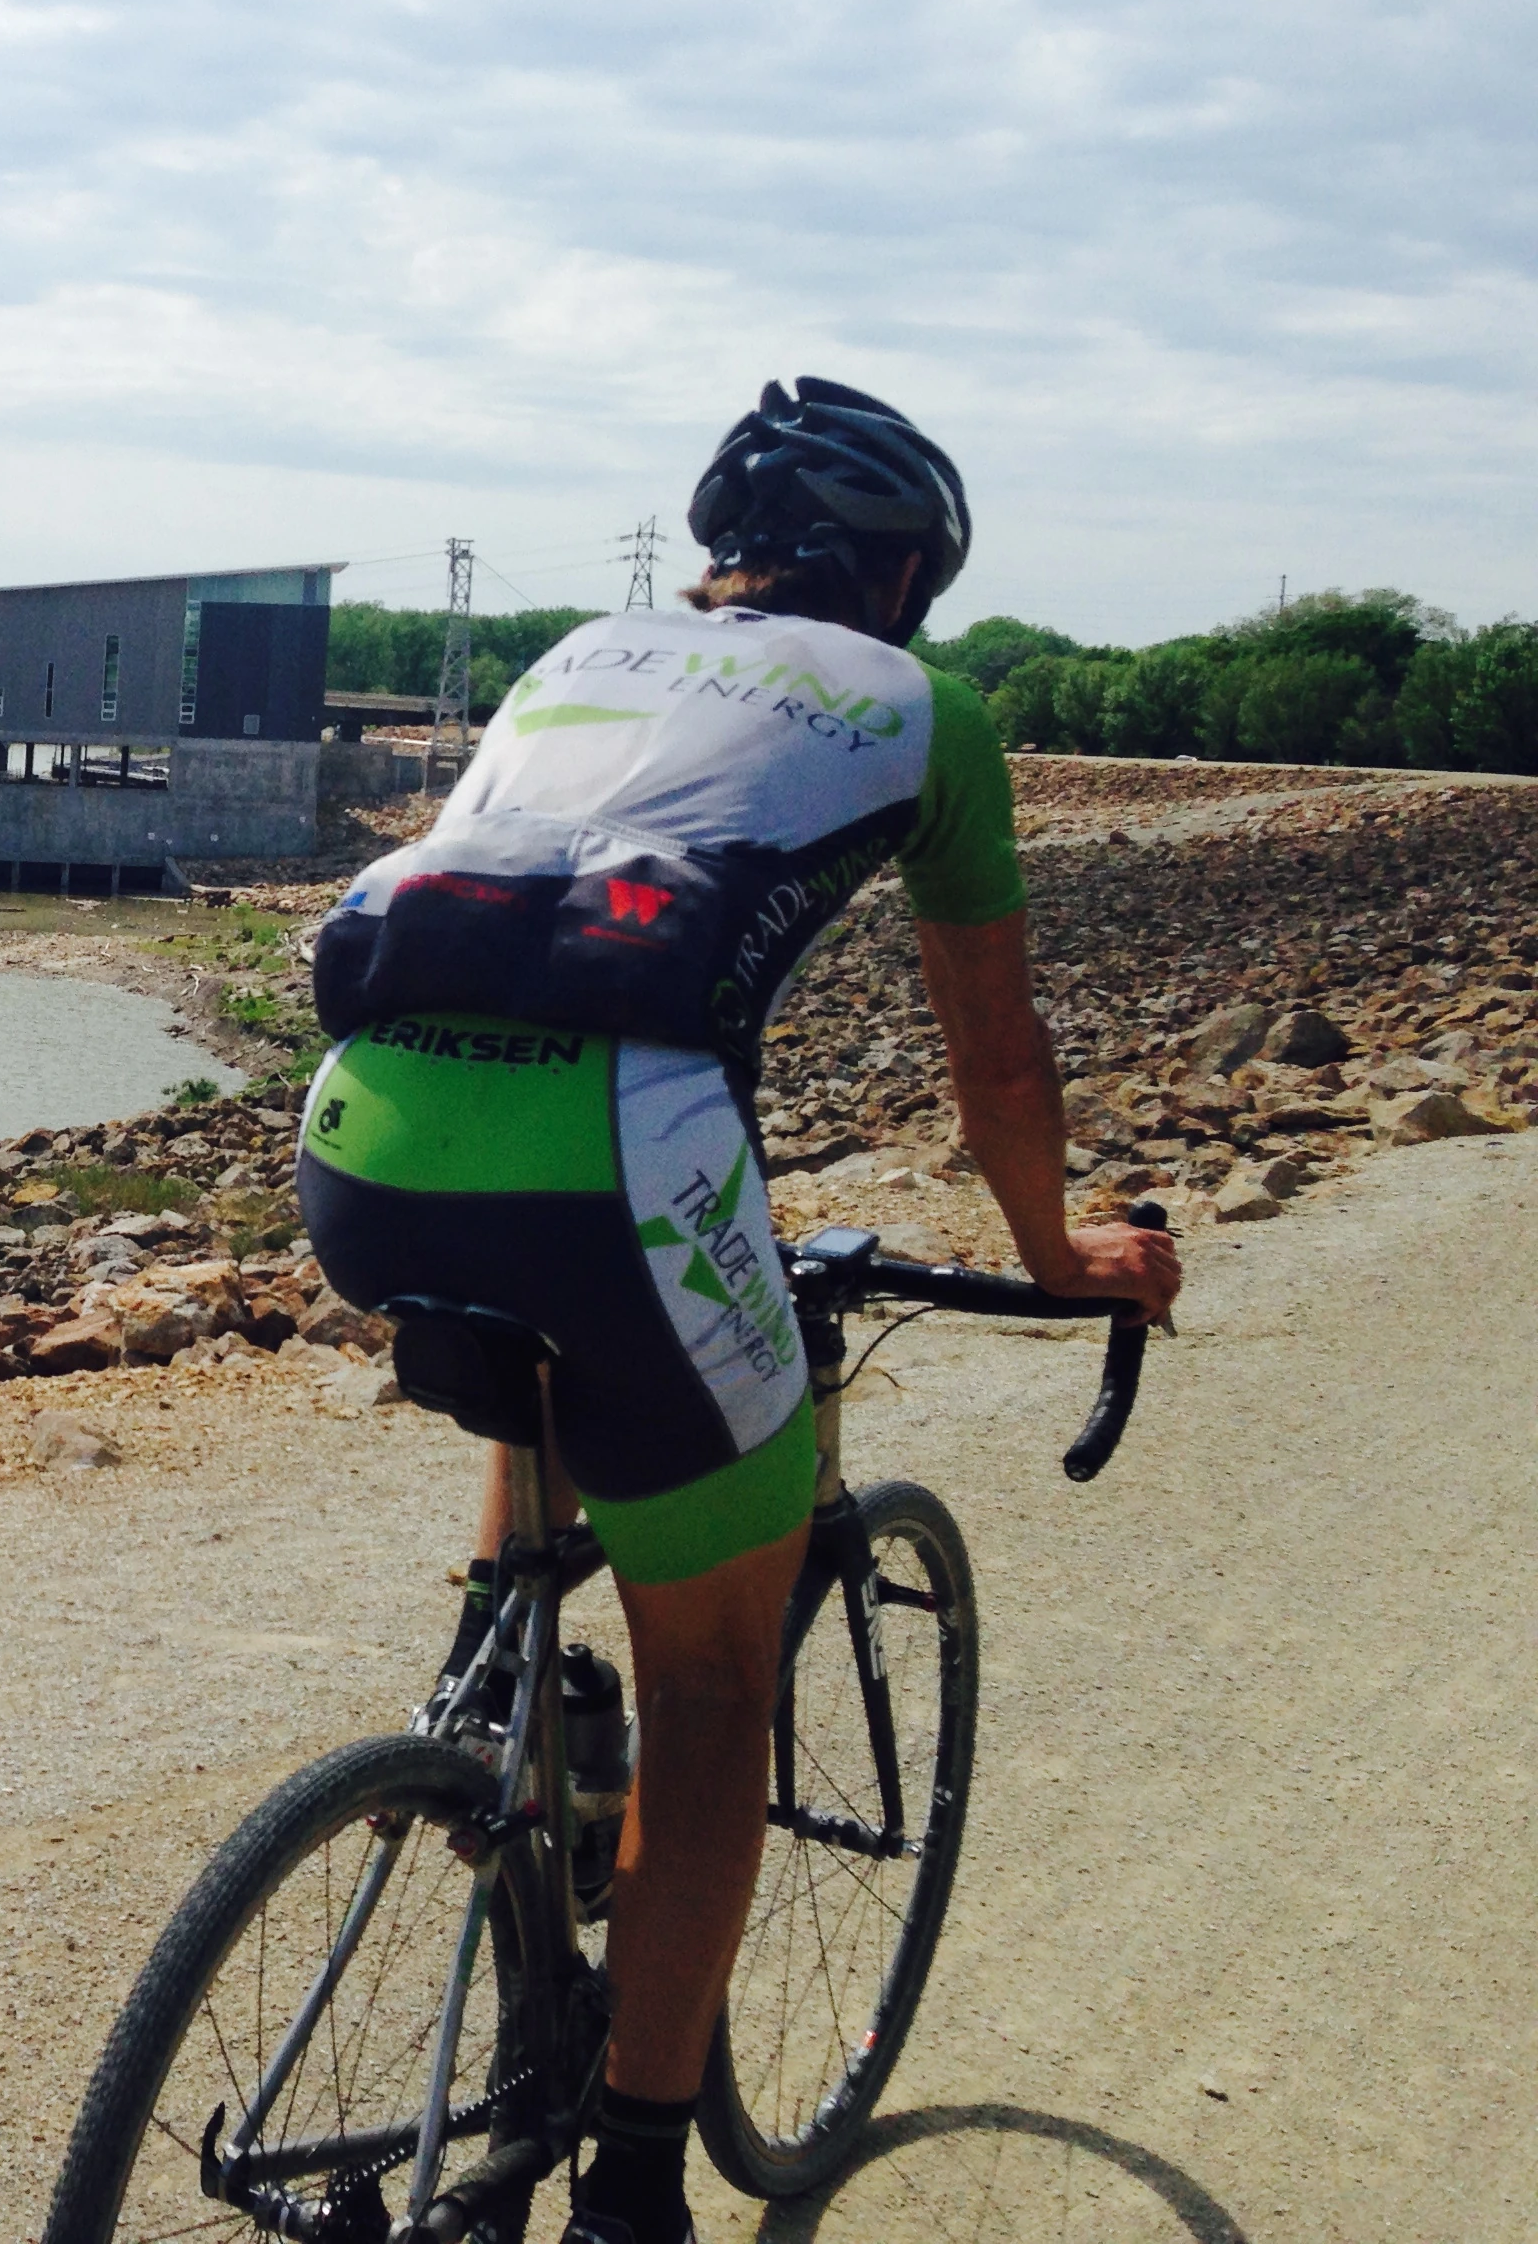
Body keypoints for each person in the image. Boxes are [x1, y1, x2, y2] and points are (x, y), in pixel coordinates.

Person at [296, 378, 1181, 2244]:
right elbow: (998, 1059)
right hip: (621, 1159)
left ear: (722, 551)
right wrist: (1055, 1254)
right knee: (716, 1690)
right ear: (907, 577)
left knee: (554, 1352)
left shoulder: (579, 653)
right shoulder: (923, 709)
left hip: (361, 1136)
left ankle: (513, 1690)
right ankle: (633, 2182)